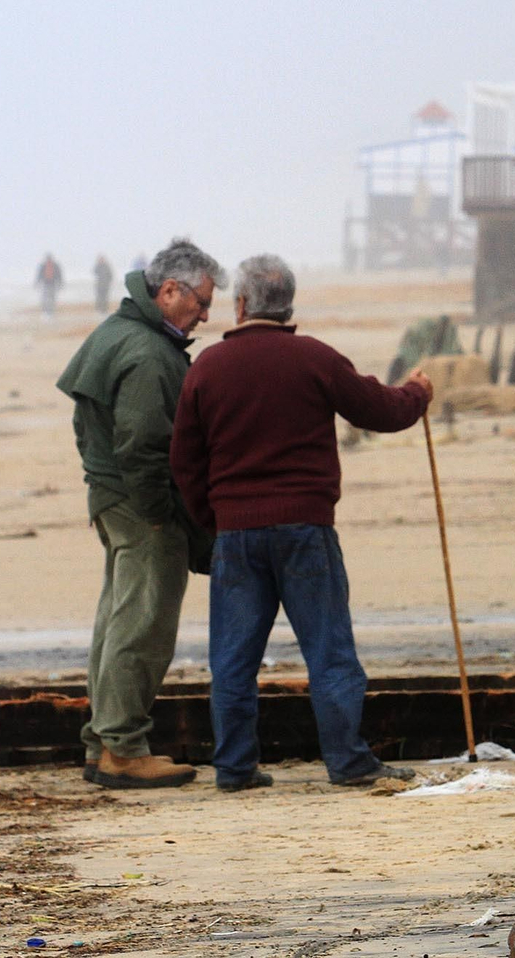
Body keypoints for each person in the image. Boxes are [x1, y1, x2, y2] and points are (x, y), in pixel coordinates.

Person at [172, 254, 433, 792]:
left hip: (237, 535)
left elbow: (185, 460)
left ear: (241, 305)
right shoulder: (314, 358)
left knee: (233, 658)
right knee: (330, 651)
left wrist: (215, 518)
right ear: (287, 305)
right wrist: (418, 393)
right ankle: (349, 762)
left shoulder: (208, 367)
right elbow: (381, 410)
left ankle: (235, 768)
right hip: (306, 531)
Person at [56, 240, 228, 789]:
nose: (205, 313)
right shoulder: (149, 353)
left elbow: (92, 429)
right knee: (144, 623)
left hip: (111, 497)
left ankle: (103, 742)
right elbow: (145, 448)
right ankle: (124, 748)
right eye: (200, 301)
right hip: (138, 504)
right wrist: (160, 515)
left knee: (117, 618)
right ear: (169, 290)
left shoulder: (120, 332)